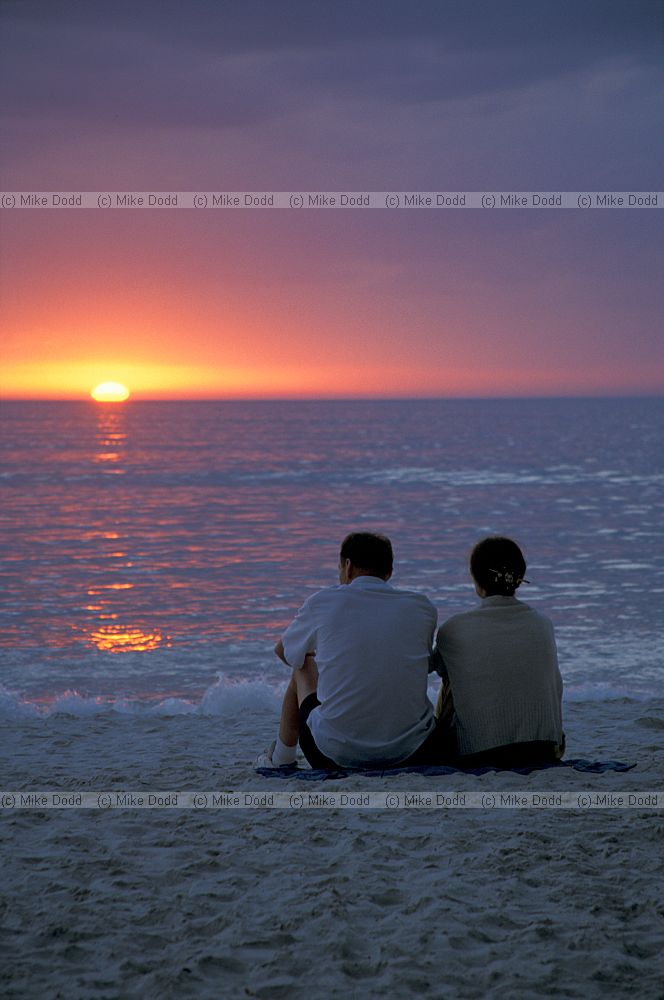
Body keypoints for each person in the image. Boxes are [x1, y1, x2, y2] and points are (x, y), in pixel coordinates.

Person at [256, 532, 442, 770]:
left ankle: (282, 758)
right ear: (389, 572)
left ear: (348, 566)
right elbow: (419, 665)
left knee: (301, 664)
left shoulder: (323, 601)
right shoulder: (421, 607)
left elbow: (284, 652)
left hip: (333, 754)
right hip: (413, 749)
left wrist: (323, 660)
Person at [434, 536, 564, 768]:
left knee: (452, 678)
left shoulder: (454, 629)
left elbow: (430, 669)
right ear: (519, 578)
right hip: (544, 749)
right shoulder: (542, 624)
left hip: (480, 753)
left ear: (475, 577)